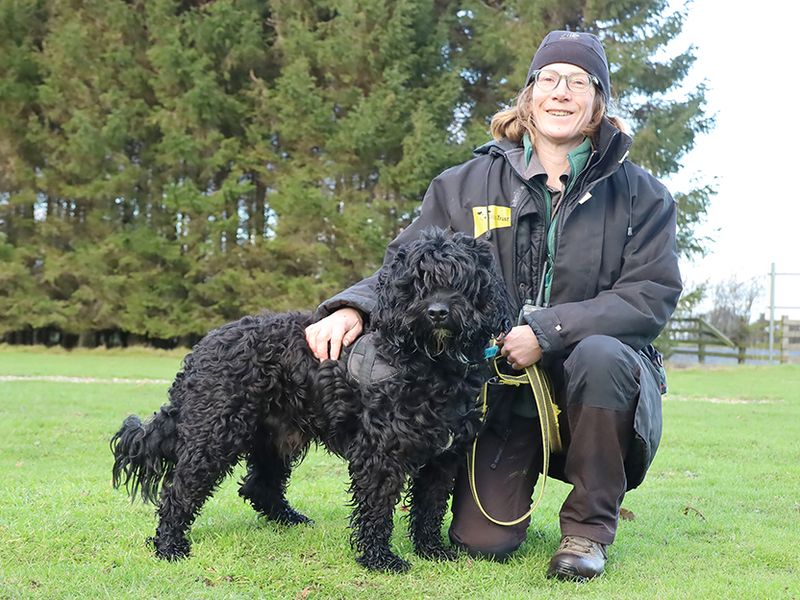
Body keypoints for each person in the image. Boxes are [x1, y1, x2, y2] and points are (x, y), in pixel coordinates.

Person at [305, 29, 681, 581]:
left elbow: (649, 297)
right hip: (498, 384)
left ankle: (586, 530)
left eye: (579, 82)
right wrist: (352, 307)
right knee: (483, 541)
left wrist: (547, 331)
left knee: (601, 355)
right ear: (527, 98)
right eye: (548, 79)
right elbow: (406, 265)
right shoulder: (464, 184)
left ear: (598, 103)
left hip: (598, 380)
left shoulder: (642, 196)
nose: (561, 92)